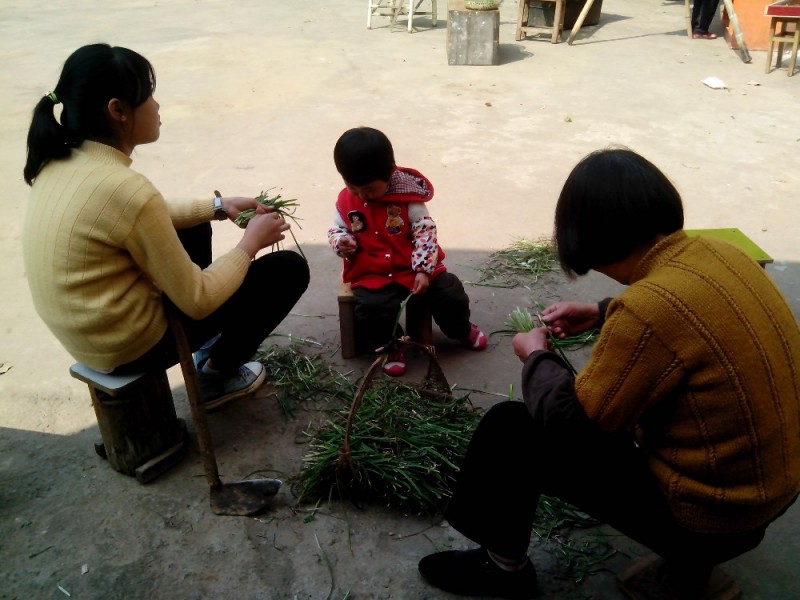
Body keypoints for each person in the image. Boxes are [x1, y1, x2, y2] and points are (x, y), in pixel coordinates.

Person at [418, 148, 800, 599]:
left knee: (511, 430)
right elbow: (691, 311)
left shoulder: (646, 312)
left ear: (585, 239)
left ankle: (502, 570)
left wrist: (536, 356)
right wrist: (603, 311)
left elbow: (572, 427)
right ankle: (690, 571)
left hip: (712, 519)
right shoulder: (722, 253)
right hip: (773, 491)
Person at [23, 44, 310, 410]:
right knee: (288, 270)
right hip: (129, 347)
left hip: (90, 335)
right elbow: (198, 299)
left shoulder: (63, 160)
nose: (157, 106)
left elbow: (141, 214)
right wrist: (249, 245)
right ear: (118, 111)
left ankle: (208, 343)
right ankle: (216, 375)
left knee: (196, 226)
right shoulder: (125, 188)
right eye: (149, 96)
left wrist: (218, 207)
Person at [327, 126, 487, 377]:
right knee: (372, 308)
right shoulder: (345, 201)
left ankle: (461, 329)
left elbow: (425, 233)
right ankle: (391, 346)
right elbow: (337, 228)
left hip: (413, 266)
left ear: (390, 173)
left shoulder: (408, 198)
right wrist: (341, 242)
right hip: (372, 271)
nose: (361, 195)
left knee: (449, 294)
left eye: (369, 189)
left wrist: (423, 270)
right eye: (352, 187)